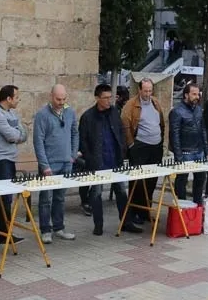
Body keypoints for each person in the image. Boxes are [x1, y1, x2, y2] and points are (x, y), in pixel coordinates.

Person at [79, 84, 140, 235]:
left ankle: (126, 222)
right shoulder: (87, 117)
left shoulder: (114, 112)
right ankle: (98, 225)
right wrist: (89, 158)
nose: (108, 101)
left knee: (121, 191)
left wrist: (124, 150)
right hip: (98, 161)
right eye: (105, 98)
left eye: (110, 97)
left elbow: (120, 131)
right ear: (97, 98)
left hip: (115, 158)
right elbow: (83, 141)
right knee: (96, 193)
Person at [33, 84, 78, 243]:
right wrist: (44, 165)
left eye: (64, 98)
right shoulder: (42, 115)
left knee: (60, 197)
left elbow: (74, 133)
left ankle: (59, 227)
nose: (61, 102)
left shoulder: (70, 112)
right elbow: (38, 141)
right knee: (46, 198)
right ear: (51, 97)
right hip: (50, 164)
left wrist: (72, 155)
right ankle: (45, 230)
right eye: (58, 99)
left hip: (66, 162)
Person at [0, 85, 27, 245]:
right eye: (16, 97)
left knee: (1, 198)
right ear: (8, 98)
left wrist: (18, 134)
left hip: (9, 159)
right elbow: (12, 135)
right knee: (5, 198)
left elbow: (23, 134)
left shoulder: (11, 113)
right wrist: (17, 134)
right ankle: (3, 234)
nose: (18, 100)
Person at [121, 78, 167, 225]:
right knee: (137, 182)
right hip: (140, 147)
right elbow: (125, 125)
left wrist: (161, 141)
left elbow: (161, 122)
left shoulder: (155, 102)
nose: (148, 93)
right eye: (145, 90)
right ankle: (134, 212)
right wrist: (131, 145)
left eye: (150, 90)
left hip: (155, 147)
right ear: (139, 90)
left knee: (152, 181)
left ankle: (145, 211)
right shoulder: (131, 105)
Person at [169, 83, 208, 205]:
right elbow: (174, 135)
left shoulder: (198, 110)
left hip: (199, 151)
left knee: (200, 179)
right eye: (194, 94)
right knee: (181, 181)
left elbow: (203, 130)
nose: (197, 96)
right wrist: (178, 155)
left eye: (198, 94)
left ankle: (198, 206)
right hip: (185, 152)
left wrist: (207, 150)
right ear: (186, 95)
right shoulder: (177, 111)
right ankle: (182, 207)